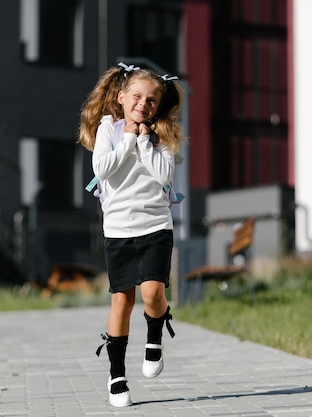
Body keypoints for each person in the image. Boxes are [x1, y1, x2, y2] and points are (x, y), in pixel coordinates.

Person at [78, 62, 185, 407]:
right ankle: (117, 374)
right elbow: (103, 168)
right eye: (137, 96)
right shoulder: (109, 128)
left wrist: (143, 142)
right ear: (122, 97)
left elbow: (163, 176)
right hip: (119, 230)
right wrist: (128, 138)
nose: (143, 104)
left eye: (151, 100)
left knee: (153, 293)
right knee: (122, 301)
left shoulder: (162, 135)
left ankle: (154, 336)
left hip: (156, 226)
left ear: (158, 105)